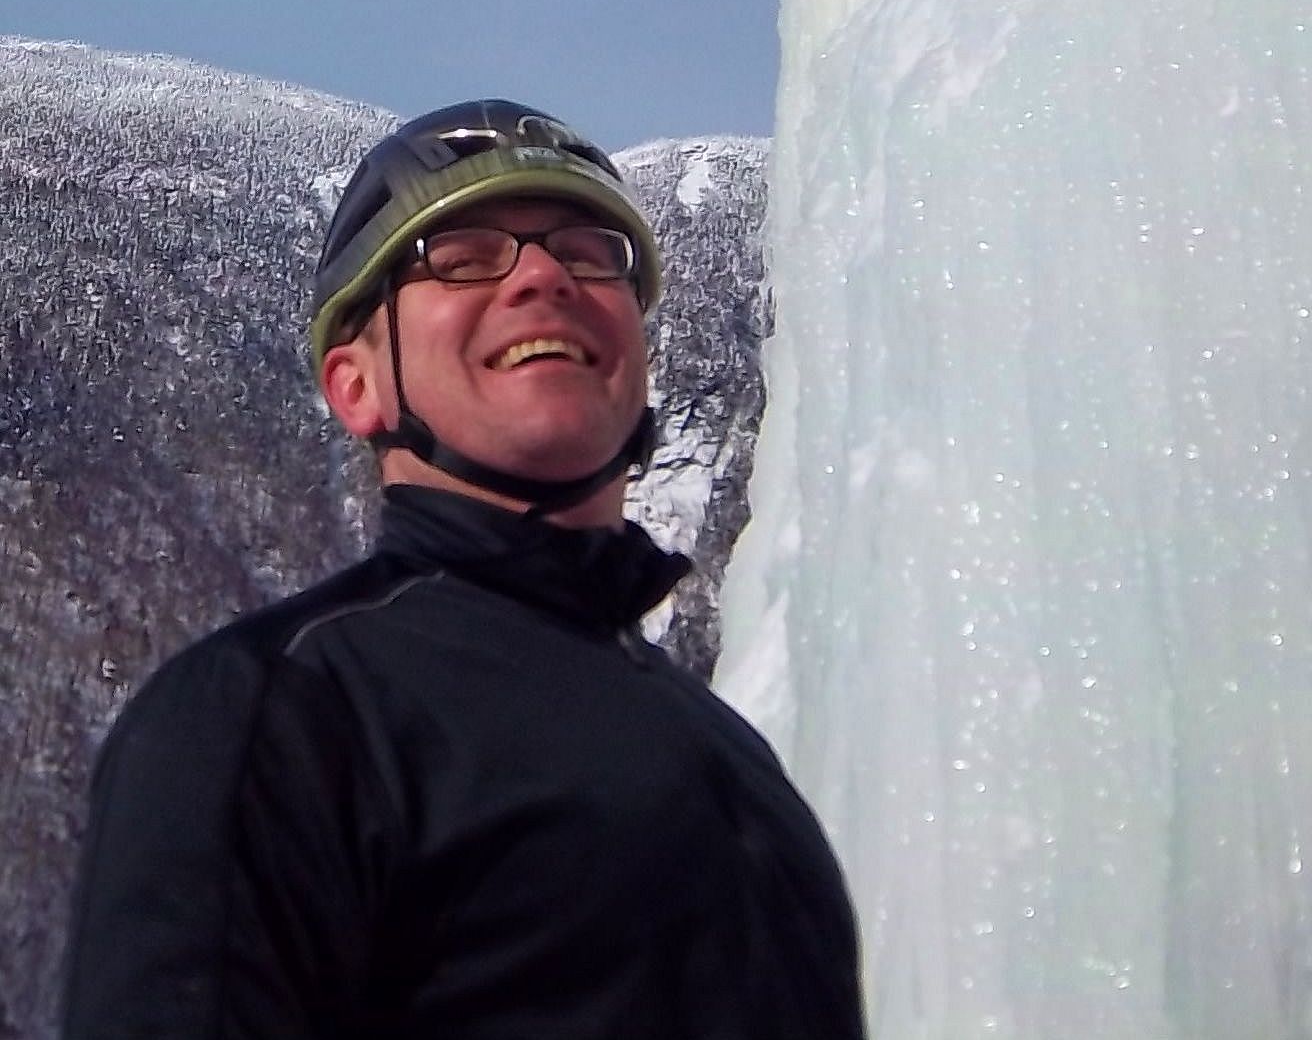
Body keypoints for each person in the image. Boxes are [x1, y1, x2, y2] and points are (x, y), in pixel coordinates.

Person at [61, 99, 866, 1039]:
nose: (543, 276)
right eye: (462, 256)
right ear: (357, 388)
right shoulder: (277, 713)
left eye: (588, 252)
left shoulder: (726, 749)